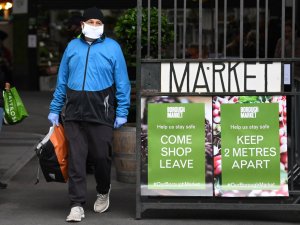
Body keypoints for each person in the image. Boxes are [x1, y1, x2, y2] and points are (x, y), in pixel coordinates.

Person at [47, 7, 131, 222]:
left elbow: (122, 82)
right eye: (90, 21)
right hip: (74, 111)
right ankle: (76, 204)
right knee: (77, 159)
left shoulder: (113, 48)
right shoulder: (72, 47)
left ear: (102, 25)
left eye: (98, 22)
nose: (94, 25)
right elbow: (62, 80)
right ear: (82, 24)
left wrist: (122, 111)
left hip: (101, 111)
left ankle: (103, 190)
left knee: (101, 157)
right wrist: (55, 108)